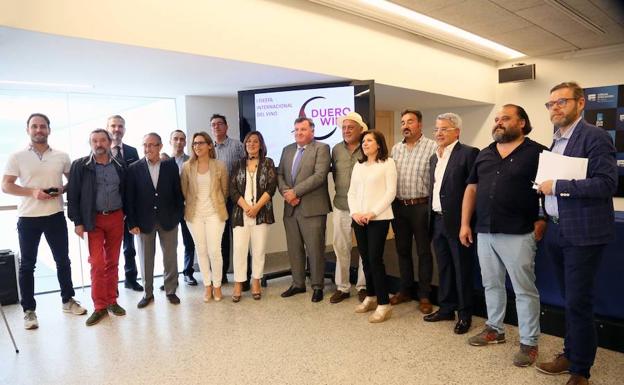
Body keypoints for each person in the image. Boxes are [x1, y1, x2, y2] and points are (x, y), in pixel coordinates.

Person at [535, 82, 618, 385]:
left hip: (583, 233)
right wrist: (544, 210)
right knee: (569, 298)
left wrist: (558, 186)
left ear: (581, 104)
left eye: (562, 102)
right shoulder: (555, 141)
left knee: (578, 301)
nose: (555, 108)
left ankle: (580, 370)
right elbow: (548, 187)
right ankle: (571, 353)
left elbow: (607, 184)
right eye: (551, 104)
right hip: (557, 231)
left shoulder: (595, 137)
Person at [460, 104, 547, 368]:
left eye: (505, 118)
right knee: (491, 284)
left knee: (524, 290)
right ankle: (494, 330)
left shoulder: (538, 152)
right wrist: (465, 224)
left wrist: (542, 219)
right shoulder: (485, 153)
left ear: (521, 123)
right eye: (496, 119)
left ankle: (529, 342)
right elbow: (472, 190)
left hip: (519, 232)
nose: (498, 122)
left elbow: (549, 189)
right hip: (484, 230)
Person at [2, 113, 86, 330]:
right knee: (28, 265)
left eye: (43, 127)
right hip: (28, 218)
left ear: (49, 129)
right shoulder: (17, 156)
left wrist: (62, 189)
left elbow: (72, 182)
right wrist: (33, 193)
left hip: (55, 216)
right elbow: (6, 185)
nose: (39, 130)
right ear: (28, 129)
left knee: (63, 261)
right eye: (34, 126)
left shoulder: (61, 156)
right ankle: (29, 311)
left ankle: (68, 300)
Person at [424, 113, 479, 335]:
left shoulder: (468, 153)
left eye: (444, 129)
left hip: (458, 222)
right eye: (436, 129)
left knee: (462, 269)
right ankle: (446, 308)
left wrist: (466, 223)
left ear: (457, 131)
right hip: (437, 220)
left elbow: (473, 190)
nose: (438, 133)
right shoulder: (434, 158)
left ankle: (464, 314)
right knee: (444, 267)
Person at [67, 129, 127, 326]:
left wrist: (127, 214)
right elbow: (73, 196)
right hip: (93, 220)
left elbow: (126, 190)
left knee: (113, 262)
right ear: (90, 143)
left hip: (116, 217)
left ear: (110, 142)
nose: (99, 143)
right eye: (94, 140)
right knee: (97, 263)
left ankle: (112, 301)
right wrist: (77, 222)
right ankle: (99, 306)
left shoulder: (119, 165)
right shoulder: (80, 166)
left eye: (102, 140)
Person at [125, 133, 184, 308]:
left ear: (160, 146)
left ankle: (171, 290)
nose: (147, 148)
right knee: (145, 259)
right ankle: (147, 293)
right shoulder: (134, 168)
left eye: (152, 145)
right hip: (143, 222)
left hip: (168, 220)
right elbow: (130, 199)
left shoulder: (170, 166)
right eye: (145, 145)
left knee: (170, 257)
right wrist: (132, 222)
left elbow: (177, 193)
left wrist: (178, 215)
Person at [277, 117, 331, 303]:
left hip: (313, 208)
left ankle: (317, 286)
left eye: (303, 129)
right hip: (290, 208)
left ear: (312, 131)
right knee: (294, 248)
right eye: (296, 130)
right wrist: (286, 193)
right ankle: (298, 283)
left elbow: (320, 176)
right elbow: (280, 175)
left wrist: (295, 192)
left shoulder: (322, 148)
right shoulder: (287, 150)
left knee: (315, 249)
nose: (299, 133)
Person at [390, 109, 437, 314]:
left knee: (424, 252)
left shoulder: (432, 147)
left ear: (419, 124)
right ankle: (405, 289)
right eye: (402, 122)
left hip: (421, 206)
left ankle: (424, 295)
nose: (405, 126)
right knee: (402, 250)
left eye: (410, 121)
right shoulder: (395, 149)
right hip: (399, 206)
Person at [349, 130, 397, 323]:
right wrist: (355, 213)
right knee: (365, 259)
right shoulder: (358, 165)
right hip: (359, 218)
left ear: (379, 144)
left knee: (375, 260)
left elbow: (390, 192)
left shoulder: (388, 163)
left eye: (369, 140)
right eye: (363, 141)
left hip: (379, 218)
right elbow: (351, 192)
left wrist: (372, 212)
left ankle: (384, 304)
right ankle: (371, 296)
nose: (365, 144)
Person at [181, 132, 229, 302]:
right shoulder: (187, 166)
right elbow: (184, 191)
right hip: (194, 215)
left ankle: (217, 286)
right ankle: (207, 286)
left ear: (209, 145)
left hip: (215, 213)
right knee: (201, 251)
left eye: (201, 143)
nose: (197, 146)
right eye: (194, 143)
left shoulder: (219, 165)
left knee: (214, 251)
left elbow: (225, 191)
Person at [230, 131, 277, 301]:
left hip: (261, 213)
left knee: (258, 250)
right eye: (248, 141)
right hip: (240, 214)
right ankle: (238, 283)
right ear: (245, 145)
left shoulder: (268, 163)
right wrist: (246, 207)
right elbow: (232, 190)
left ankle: (255, 281)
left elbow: (271, 188)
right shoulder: (238, 164)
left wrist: (256, 208)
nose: (251, 144)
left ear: (261, 144)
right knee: (239, 251)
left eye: (255, 141)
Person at [329, 112, 368, 304]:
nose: (346, 131)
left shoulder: (368, 147)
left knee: (364, 248)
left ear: (361, 130)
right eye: (344, 128)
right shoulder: (336, 149)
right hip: (341, 205)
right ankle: (343, 287)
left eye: (350, 127)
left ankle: (362, 286)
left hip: (363, 207)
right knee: (340, 246)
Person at [106, 115, 143, 292]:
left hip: (128, 208)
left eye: (120, 126)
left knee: (129, 248)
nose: (117, 129)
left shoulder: (132, 151)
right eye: (113, 126)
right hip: (108, 208)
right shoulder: (100, 152)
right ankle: (111, 284)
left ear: (124, 130)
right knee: (109, 251)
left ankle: (131, 279)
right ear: (108, 128)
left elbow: (136, 179)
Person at [211, 114, 245, 285]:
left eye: (219, 124)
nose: (216, 127)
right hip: (217, 201)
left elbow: (245, 169)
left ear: (226, 126)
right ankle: (221, 274)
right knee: (220, 239)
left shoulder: (238, 146)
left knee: (240, 237)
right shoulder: (209, 149)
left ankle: (244, 276)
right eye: (213, 125)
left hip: (236, 198)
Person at [169, 129, 197, 286]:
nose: (179, 142)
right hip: (170, 209)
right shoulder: (163, 160)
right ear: (170, 141)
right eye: (176, 139)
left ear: (185, 142)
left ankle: (188, 273)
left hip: (187, 207)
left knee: (189, 242)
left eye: (182, 139)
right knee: (170, 243)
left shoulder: (191, 161)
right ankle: (171, 276)